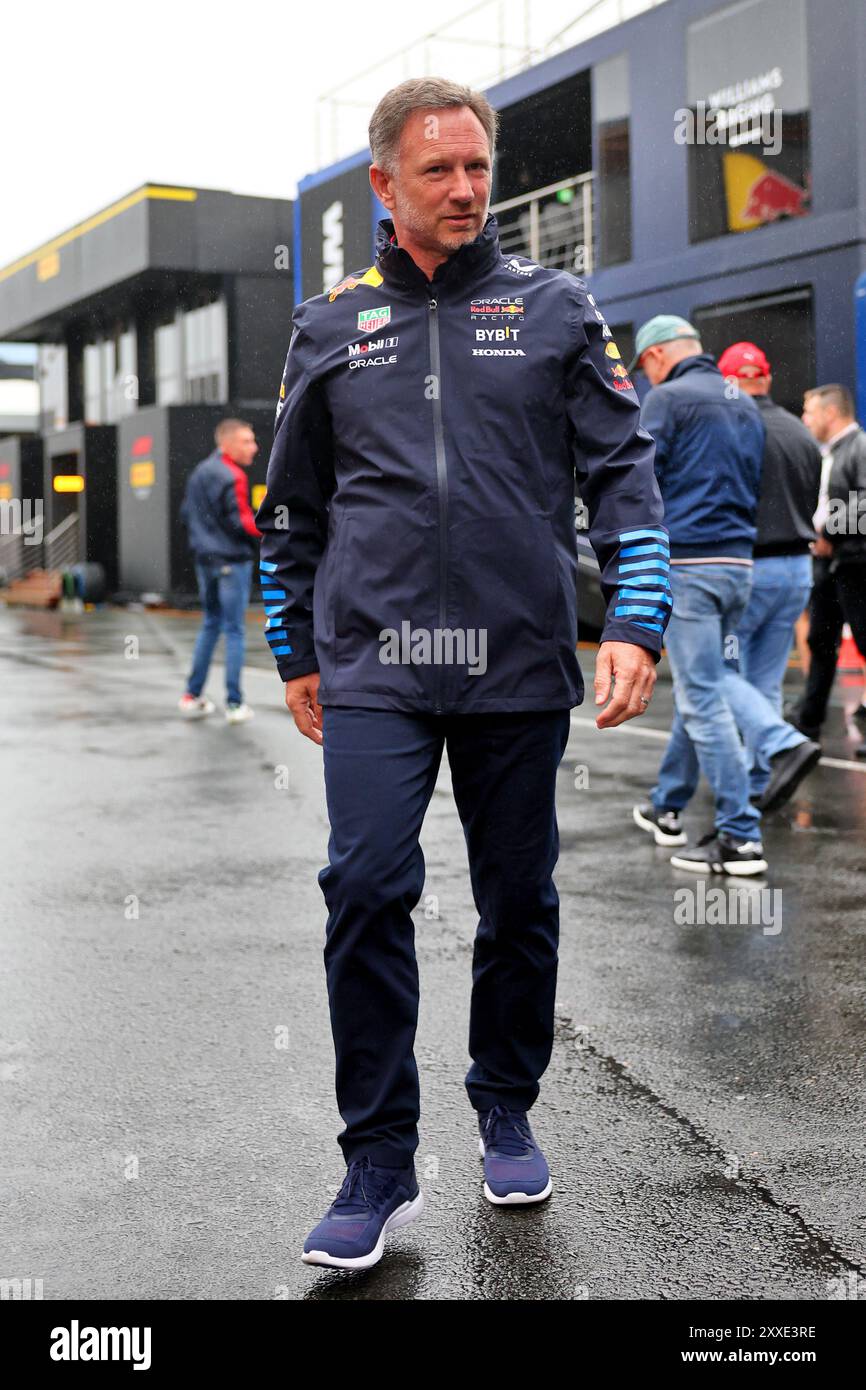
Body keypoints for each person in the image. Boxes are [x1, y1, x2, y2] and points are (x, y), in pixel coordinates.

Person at [256, 76, 669, 1270]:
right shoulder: (327, 324)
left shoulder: (556, 308)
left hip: (516, 658)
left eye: (477, 166)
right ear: (382, 183)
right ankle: (377, 1159)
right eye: (435, 169)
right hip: (376, 659)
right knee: (366, 884)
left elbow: (623, 476)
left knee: (518, 897)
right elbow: (292, 509)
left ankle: (504, 1103)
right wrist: (295, 647)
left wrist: (633, 620)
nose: (465, 188)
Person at [628, 317, 771, 874]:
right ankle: (667, 806)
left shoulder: (668, 399)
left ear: (661, 355)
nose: (647, 377)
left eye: (648, 366)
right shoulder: (744, 403)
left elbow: (637, 481)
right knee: (704, 686)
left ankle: (740, 836)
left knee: (703, 700)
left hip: (690, 564)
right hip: (740, 565)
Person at [712, 342, 822, 806]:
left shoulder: (730, 426)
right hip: (798, 568)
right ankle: (760, 782)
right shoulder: (800, 431)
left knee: (712, 672)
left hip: (749, 567)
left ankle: (782, 745)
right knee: (765, 680)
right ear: (768, 379)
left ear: (727, 382)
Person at [792, 385, 866, 758]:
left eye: (810, 411)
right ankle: (808, 721)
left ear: (830, 412)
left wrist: (829, 535)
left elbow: (865, 503)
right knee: (820, 642)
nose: (805, 419)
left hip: (854, 565)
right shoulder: (828, 454)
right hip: (830, 566)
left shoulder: (860, 448)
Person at [178, 418, 260, 723]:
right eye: (247, 441)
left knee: (211, 623)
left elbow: (186, 514)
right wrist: (273, 529)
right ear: (226, 444)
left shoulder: (200, 472)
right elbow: (242, 521)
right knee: (235, 629)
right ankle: (235, 704)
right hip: (231, 560)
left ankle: (191, 695)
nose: (254, 447)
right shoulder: (233, 475)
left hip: (205, 560)